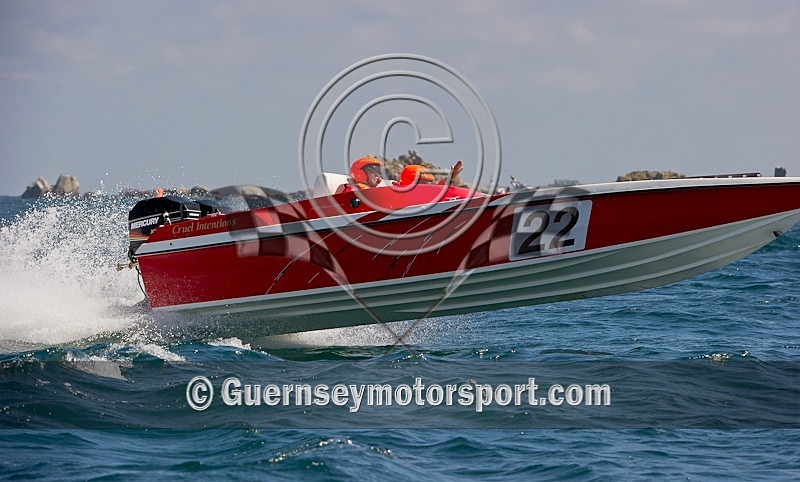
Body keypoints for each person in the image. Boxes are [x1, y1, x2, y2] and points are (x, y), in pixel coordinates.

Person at [396, 160, 464, 188]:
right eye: (423, 180)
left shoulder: (425, 197)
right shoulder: (394, 193)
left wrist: (449, 178)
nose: (427, 183)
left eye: (428, 180)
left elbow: (436, 191)